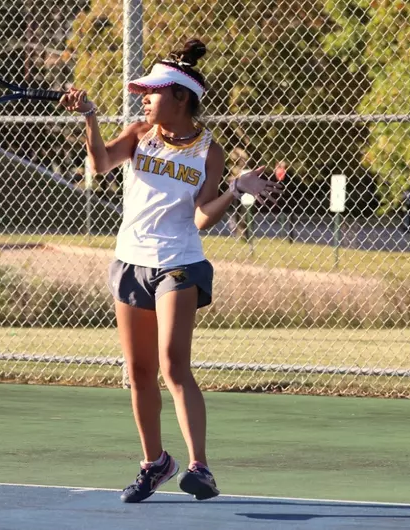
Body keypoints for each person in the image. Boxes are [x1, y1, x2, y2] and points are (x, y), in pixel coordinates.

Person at [59, 38, 282, 503]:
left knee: (172, 364)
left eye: (154, 91)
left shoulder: (208, 151)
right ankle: (155, 462)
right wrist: (89, 118)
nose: (145, 96)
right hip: (130, 261)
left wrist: (238, 189)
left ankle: (200, 468)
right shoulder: (139, 133)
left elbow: (202, 214)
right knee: (139, 371)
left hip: (180, 262)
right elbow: (100, 164)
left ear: (180, 97)